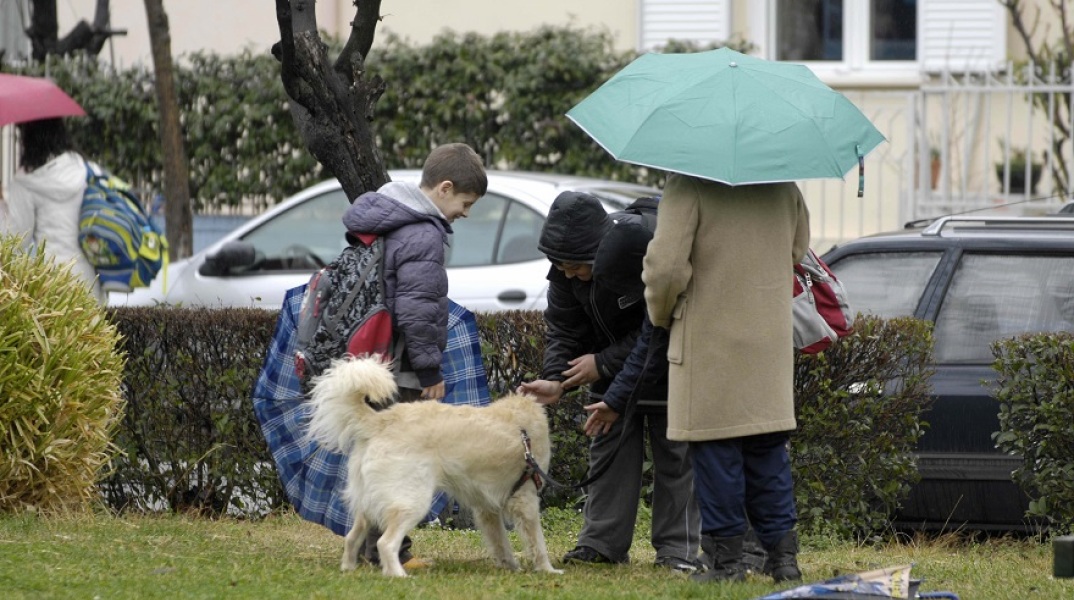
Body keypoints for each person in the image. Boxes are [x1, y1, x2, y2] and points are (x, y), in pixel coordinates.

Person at [518, 191, 700, 572]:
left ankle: (677, 551)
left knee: (676, 456)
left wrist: (602, 363)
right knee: (608, 447)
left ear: (601, 254)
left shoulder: (641, 254)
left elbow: (658, 331)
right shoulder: (565, 268)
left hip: (669, 365)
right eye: (561, 266)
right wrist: (556, 380)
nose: (568, 274)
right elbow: (564, 328)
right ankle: (600, 543)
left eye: (576, 267)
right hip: (610, 375)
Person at [641, 173, 811, 583]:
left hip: (710, 337)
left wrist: (662, 314)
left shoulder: (688, 185)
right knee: (768, 449)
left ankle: (725, 561)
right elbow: (798, 249)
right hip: (768, 340)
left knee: (715, 450)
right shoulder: (783, 185)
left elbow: (665, 269)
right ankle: (783, 558)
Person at [340, 141, 487, 567]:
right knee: (402, 461)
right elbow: (418, 308)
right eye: (465, 202)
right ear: (444, 188)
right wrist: (428, 371)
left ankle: (368, 549)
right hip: (399, 363)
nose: (465, 212)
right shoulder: (423, 231)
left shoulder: (388, 213)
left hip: (374, 355)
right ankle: (391, 550)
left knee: (377, 455)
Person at [0, 118, 106, 304]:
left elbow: (15, 245)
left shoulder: (26, 181)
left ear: (28, 137)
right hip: (90, 283)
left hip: (52, 288)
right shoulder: (86, 169)